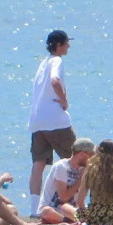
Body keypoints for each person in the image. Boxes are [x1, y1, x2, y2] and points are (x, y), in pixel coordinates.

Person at [28, 30, 75, 213]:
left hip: (37, 121)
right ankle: (72, 204)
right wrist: (64, 100)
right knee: (76, 159)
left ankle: (34, 208)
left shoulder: (43, 63)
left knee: (38, 164)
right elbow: (55, 81)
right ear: (59, 45)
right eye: (66, 43)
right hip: (55, 120)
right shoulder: (57, 61)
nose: (68, 46)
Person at [36, 137, 95, 225]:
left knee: (68, 208)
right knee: (46, 211)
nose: (92, 158)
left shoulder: (83, 169)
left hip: (69, 209)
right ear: (82, 154)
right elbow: (63, 197)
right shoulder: (61, 167)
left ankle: (74, 223)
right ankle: (69, 223)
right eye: (91, 154)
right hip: (54, 209)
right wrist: (81, 180)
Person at [78, 139, 113, 225]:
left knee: (66, 208)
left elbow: (80, 201)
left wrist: (86, 216)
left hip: (93, 220)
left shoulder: (90, 172)